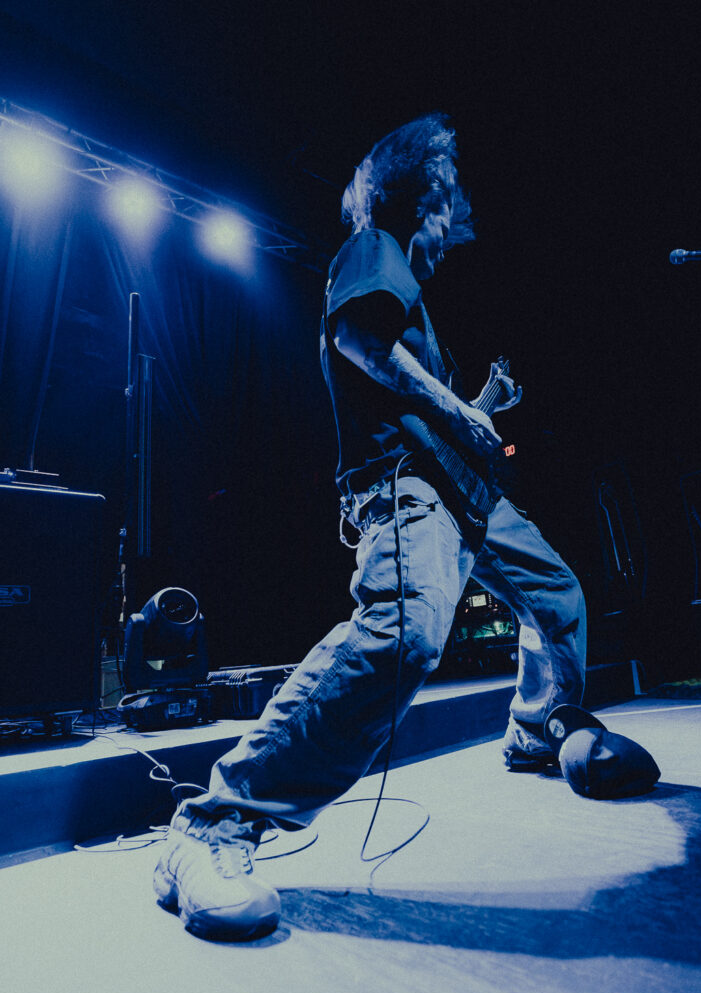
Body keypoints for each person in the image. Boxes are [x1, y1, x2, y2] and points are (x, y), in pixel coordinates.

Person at [154, 113, 587, 942]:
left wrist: (481, 405)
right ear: (422, 197)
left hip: (463, 490)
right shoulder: (371, 245)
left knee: (555, 597)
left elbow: (426, 406)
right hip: (408, 485)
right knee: (403, 634)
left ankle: (536, 731)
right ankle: (213, 823)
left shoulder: (410, 290)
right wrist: (463, 411)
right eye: (448, 213)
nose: (452, 236)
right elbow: (357, 339)